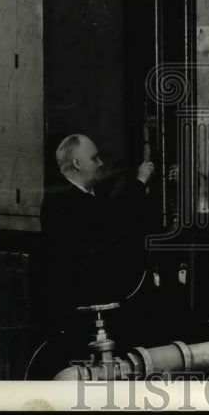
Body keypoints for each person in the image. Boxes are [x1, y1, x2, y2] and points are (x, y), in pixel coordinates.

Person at [37, 134, 155, 343]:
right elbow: (112, 224)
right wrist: (140, 182)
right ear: (77, 163)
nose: (101, 163)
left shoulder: (84, 195)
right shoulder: (63, 202)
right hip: (84, 311)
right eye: (95, 158)